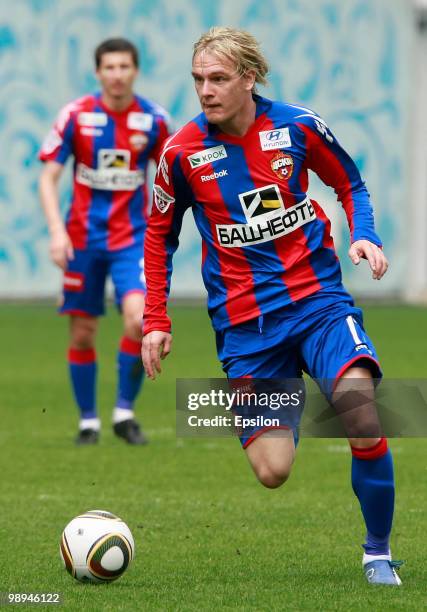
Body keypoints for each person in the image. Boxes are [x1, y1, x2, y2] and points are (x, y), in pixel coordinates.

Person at [141, 27, 402, 585]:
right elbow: (159, 236)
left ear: (249, 77)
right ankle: (289, 395)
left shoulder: (299, 126)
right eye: (198, 80)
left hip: (319, 304)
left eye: (218, 78)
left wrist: (367, 236)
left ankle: (377, 553)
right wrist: (155, 321)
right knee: (273, 471)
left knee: (360, 409)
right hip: (246, 326)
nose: (205, 91)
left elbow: (350, 185)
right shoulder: (181, 153)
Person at [39, 38, 172, 445]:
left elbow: (173, 176)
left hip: (133, 239)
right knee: (83, 332)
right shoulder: (77, 116)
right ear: (98, 73)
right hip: (82, 239)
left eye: (124, 67)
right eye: (109, 67)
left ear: (135, 71)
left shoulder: (153, 120)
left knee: (137, 320)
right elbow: (48, 176)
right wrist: (57, 232)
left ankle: (124, 413)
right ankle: (88, 421)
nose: (117, 74)